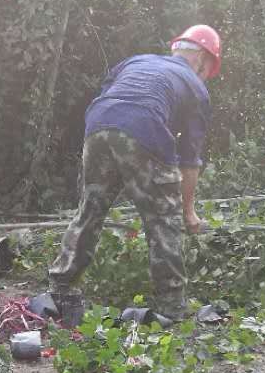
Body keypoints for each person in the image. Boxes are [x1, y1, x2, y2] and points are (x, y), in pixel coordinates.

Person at [49, 24, 222, 325]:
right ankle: (171, 308)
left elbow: (110, 95)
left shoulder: (137, 61)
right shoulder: (196, 88)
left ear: (176, 48)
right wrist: (188, 212)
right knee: (163, 221)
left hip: (98, 124)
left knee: (90, 209)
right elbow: (190, 160)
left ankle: (60, 286)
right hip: (144, 127)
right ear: (204, 61)